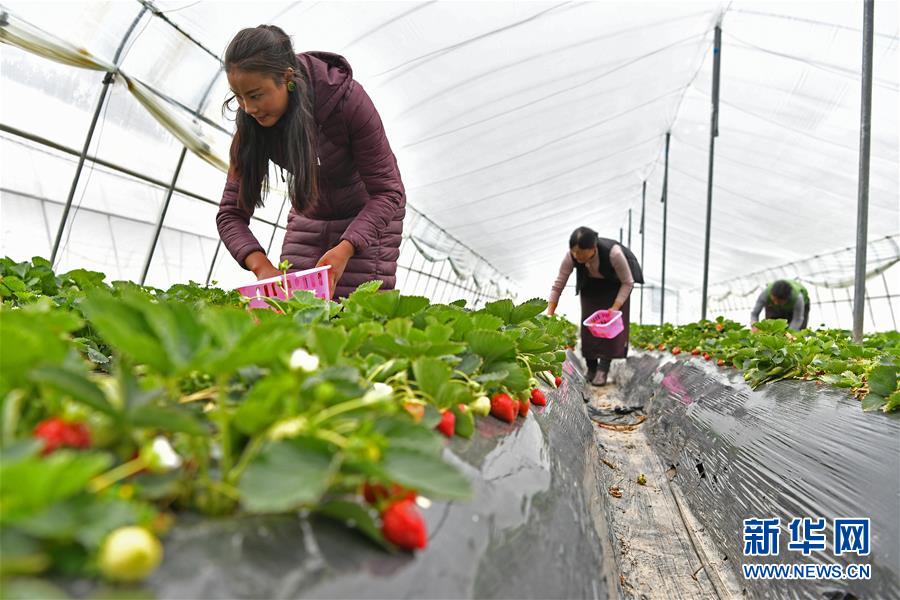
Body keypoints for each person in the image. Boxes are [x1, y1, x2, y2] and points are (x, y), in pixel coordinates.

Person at [216, 25, 405, 299]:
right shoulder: (252, 124)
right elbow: (230, 214)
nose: (249, 108)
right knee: (295, 311)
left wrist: (346, 248)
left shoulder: (347, 101)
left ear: (288, 78)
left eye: (256, 95)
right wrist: (262, 268)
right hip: (309, 216)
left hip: (366, 217)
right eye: (239, 96)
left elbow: (389, 192)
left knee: (352, 314)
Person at [547, 227, 644, 386]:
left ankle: (603, 369)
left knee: (609, 331)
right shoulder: (571, 257)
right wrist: (549, 313)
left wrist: (615, 306)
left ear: (593, 249)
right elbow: (558, 285)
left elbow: (628, 282)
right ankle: (591, 368)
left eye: (581, 253)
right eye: (574, 252)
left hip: (616, 287)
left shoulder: (614, 254)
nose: (577, 256)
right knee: (589, 327)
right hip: (591, 287)